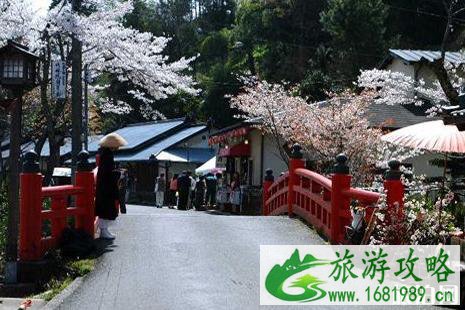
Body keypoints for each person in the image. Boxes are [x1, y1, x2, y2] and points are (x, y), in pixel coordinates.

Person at [95, 133, 127, 239]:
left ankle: (105, 230)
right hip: (106, 187)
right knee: (106, 209)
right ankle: (103, 231)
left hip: (104, 186)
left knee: (106, 209)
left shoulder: (105, 154)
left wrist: (116, 172)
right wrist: (119, 173)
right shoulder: (107, 155)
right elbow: (108, 173)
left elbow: (107, 171)